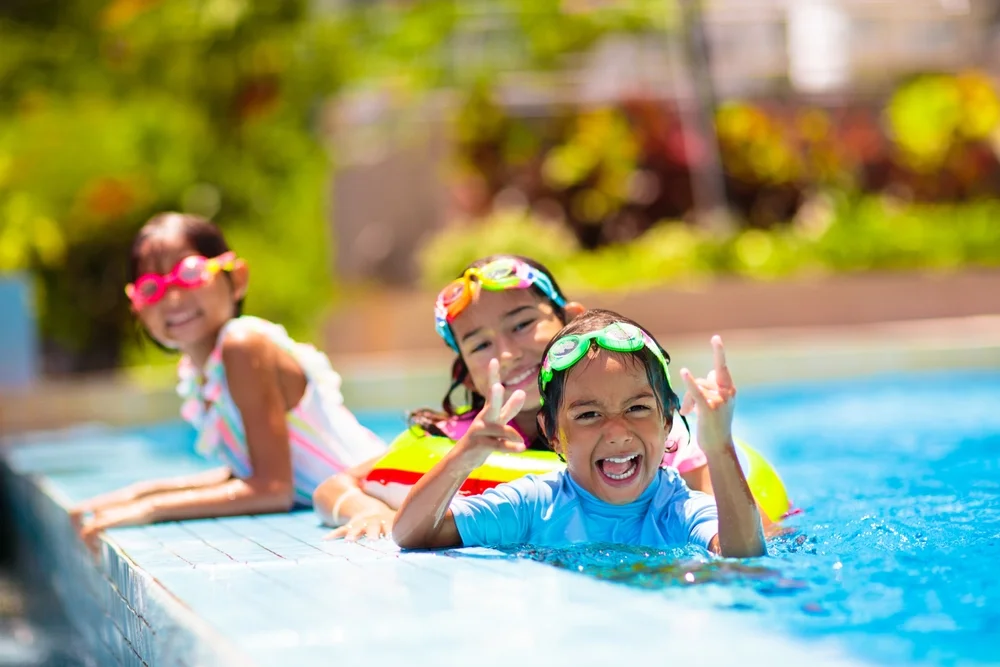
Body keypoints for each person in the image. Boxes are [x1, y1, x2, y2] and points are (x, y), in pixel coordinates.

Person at [314, 256, 710, 540]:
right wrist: (369, 510)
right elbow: (334, 486)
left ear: (571, 321)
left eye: (522, 324)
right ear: (468, 372)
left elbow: (722, 519)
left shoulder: (646, 438)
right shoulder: (451, 438)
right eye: (481, 344)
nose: (506, 353)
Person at [71, 212, 386, 548]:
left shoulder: (243, 343)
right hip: (346, 497)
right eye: (152, 287)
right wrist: (137, 493)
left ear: (237, 278)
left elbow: (273, 489)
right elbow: (246, 476)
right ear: (136, 306)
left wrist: (150, 509)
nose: (173, 298)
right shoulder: (204, 373)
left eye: (190, 273)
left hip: (382, 490)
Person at [391, 309, 766, 558]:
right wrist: (465, 456)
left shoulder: (678, 510)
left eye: (637, 408)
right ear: (552, 433)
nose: (617, 432)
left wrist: (719, 448)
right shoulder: (536, 504)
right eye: (588, 414)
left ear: (668, 420)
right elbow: (411, 534)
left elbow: (743, 558)